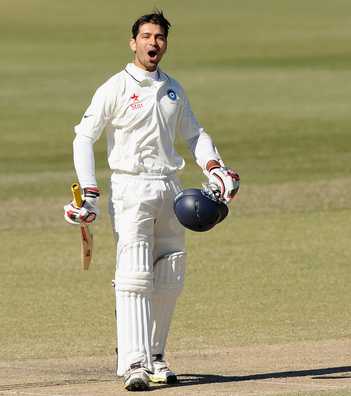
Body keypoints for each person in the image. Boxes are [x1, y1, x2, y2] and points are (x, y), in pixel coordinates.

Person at [63, 10, 240, 391]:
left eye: (159, 37)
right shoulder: (115, 86)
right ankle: (132, 363)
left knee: (170, 275)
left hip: (170, 188)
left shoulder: (173, 88)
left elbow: (195, 135)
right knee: (135, 276)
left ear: (165, 44)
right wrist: (89, 192)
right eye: (146, 36)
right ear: (133, 43)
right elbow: (83, 137)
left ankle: (156, 357)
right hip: (130, 189)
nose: (153, 43)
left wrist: (216, 168)